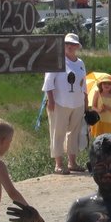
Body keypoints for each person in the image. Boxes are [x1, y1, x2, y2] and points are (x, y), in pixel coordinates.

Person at [42, 33, 88, 174]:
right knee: (58, 132)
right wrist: (51, 100)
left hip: (77, 103)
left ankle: (72, 163)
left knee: (74, 133)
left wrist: (86, 103)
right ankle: (58, 164)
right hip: (59, 102)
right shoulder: (56, 60)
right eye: (67, 43)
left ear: (77, 46)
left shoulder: (80, 63)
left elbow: (84, 84)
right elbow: (48, 83)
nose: (69, 46)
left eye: (73, 44)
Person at [89, 73, 111, 139]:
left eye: (109, 84)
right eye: (104, 83)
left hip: (109, 122)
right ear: (101, 85)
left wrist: (107, 107)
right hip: (98, 121)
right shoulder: (97, 93)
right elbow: (93, 107)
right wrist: (99, 110)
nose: (107, 85)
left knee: (109, 140)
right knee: (98, 140)